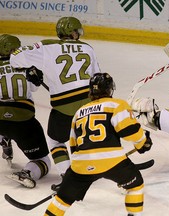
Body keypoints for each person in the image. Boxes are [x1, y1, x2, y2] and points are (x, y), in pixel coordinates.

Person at [44, 73, 153, 216]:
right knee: (135, 186)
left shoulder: (79, 112)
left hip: (81, 165)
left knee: (61, 200)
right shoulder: (117, 105)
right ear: (110, 89)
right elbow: (129, 132)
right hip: (113, 162)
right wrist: (143, 142)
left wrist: (82, 169)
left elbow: (73, 145)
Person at [10, 17, 101, 176]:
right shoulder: (87, 48)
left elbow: (15, 57)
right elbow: (97, 78)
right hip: (89, 101)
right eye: (76, 31)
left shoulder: (46, 46)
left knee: (56, 140)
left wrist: (30, 69)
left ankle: (67, 174)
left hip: (63, 104)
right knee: (92, 135)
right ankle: (112, 164)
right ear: (72, 33)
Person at [0, 34, 51, 188]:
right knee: (43, 161)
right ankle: (27, 173)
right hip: (23, 121)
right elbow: (34, 87)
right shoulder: (29, 66)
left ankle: (3, 137)